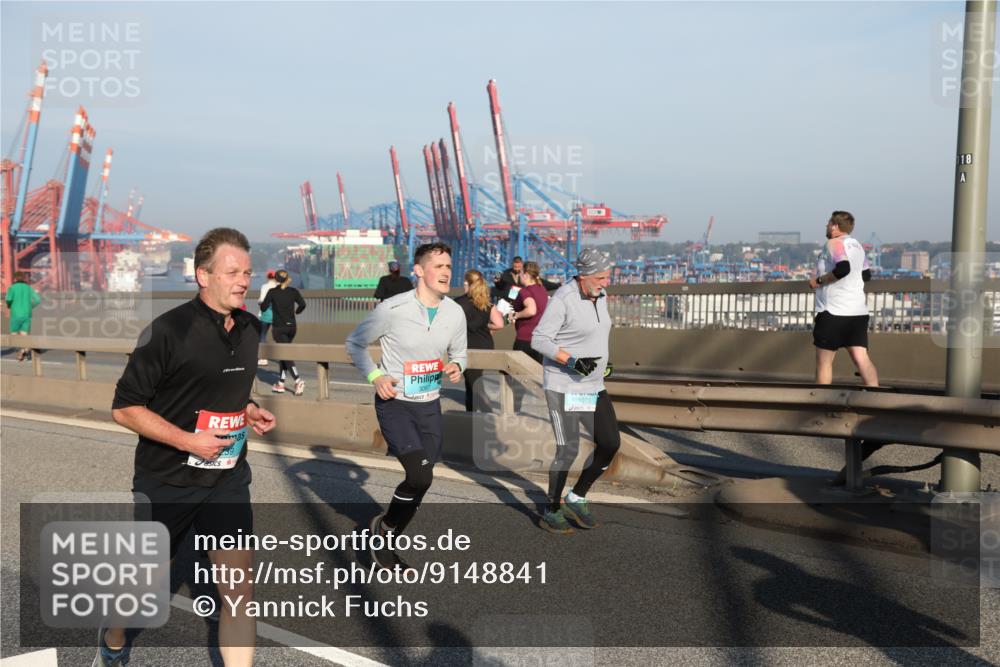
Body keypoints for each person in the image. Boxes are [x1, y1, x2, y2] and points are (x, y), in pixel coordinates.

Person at [104, 227, 276, 667]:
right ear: (203, 275)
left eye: (248, 272)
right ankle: (114, 638)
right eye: (232, 272)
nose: (244, 280)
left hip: (226, 479)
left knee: (238, 591)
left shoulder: (253, 327)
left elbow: (221, 389)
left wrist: (250, 408)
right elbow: (125, 408)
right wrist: (187, 441)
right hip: (167, 479)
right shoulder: (167, 331)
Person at [346, 242, 466, 571]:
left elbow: (460, 353)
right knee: (417, 474)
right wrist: (375, 376)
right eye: (438, 266)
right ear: (418, 270)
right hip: (395, 402)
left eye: (448, 267)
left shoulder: (454, 312)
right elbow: (354, 343)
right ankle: (384, 534)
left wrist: (457, 366)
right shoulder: (392, 309)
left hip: (429, 404)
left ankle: (387, 533)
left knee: (423, 480)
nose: (445, 272)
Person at [531, 247, 621, 534]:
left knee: (609, 444)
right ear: (584, 276)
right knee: (567, 448)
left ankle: (576, 496)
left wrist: (602, 364)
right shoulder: (564, 298)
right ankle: (551, 510)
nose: (606, 282)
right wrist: (572, 361)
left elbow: (594, 335)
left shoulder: (601, 296)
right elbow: (539, 340)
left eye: (608, 276)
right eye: (602, 277)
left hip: (593, 386)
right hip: (564, 385)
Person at [808, 210, 878, 387]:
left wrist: (819, 280)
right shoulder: (857, 246)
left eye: (828, 223)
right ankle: (876, 398)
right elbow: (866, 275)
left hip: (832, 311)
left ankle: (822, 402)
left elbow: (843, 269)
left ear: (835, 226)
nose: (826, 226)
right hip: (857, 312)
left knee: (824, 362)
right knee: (861, 358)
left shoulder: (833, 243)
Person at [455, 269, 505, 411]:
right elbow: (499, 324)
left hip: (467, 347)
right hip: (485, 345)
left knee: (474, 383)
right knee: (472, 382)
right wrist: (485, 326)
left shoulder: (459, 303)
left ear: (467, 283)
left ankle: (488, 412)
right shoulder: (486, 303)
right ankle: (470, 413)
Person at [261, 269, 307, 395]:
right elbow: (303, 304)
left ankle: (298, 380)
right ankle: (281, 383)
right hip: (292, 328)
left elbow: (263, 307)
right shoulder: (293, 291)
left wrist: (267, 302)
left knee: (285, 355)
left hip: (279, 328)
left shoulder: (272, 292)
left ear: (276, 279)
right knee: (283, 354)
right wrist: (296, 312)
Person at [510, 261, 549, 364]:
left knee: (516, 375)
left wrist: (516, 315)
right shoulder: (542, 290)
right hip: (540, 339)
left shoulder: (524, 291)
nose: (519, 275)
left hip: (525, 339)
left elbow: (531, 310)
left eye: (521, 273)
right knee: (537, 376)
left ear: (526, 275)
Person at [5, 271, 41, 361]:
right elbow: (37, 300)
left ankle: (20, 351)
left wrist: (9, 305)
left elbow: (8, 299)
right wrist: (30, 306)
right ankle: (25, 350)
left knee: (14, 333)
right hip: (27, 314)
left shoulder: (12, 288)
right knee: (24, 333)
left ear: (15, 279)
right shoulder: (28, 288)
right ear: (24, 279)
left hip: (16, 314)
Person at [257, 270, 278, 366]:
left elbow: (261, 300)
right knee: (278, 335)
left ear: (267, 277)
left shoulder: (264, 287)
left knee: (262, 335)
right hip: (277, 315)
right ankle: (283, 356)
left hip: (265, 314)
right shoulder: (278, 287)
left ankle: (263, 358)